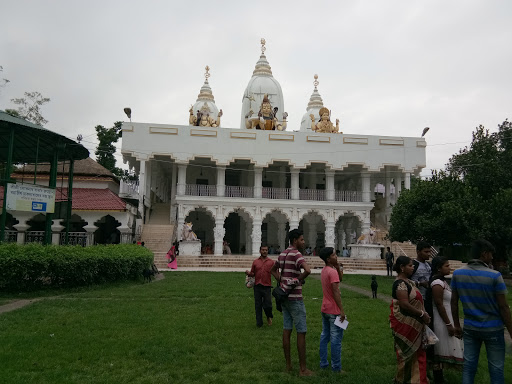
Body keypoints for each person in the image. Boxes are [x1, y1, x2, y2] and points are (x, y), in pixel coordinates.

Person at [451, 239, 512, 384]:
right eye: (491, 254)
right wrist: (511, 331)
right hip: (493, 329)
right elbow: (503, 307)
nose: (492, 257)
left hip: (471, 328)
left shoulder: (458, 274)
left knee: (468, 367)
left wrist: (456, 325)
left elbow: (453, 302)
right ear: (484, 254)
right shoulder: (495, 276)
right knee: (496, 369)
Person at [271, 229, 313, 376]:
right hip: (295, 298)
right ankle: (303, 369)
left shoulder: (283, 253)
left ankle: (288, 365)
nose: (303, 242)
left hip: (284, 297)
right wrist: (297, 280)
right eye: (302, 239)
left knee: (286, 329)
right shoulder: (296, 254)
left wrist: (282, 282)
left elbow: (273, 269)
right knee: (301, 331)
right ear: (295, 240)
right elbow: (308, 270)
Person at [389, 256, 431, 384]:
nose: (413, 267)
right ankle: (406, 379)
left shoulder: (408, 282)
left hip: (415, 323)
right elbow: (404, 304)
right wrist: (422, 314)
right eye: (410, 265)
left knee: (418, 354)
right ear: (402, 267)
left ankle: (417, 379)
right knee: (407, 355)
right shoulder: (401, 284)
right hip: (406, 324)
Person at [429, 257, 463, 383]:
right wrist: (448, 324)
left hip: (446, 318)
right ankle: (438, 378)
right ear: (439, 268)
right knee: (439, 348)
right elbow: (439, 304)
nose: (450, 268)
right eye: (447, 266)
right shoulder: (437, 283)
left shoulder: (443, 282)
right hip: (441, 320)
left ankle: (439, 377)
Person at [318, 247, 345, 372]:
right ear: (328, 259)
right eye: (334, 255)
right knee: (336, 339)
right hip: (334, 310)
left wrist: (338, 267)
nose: (336, 256)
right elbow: (336, 292)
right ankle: (336, 367)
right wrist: (342, 310)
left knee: (325, 336)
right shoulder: (332, 272)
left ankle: (323, 363)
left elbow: (340, 279)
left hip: (325, 308)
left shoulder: (325, 270)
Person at [245, 245, 274, 327]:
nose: (265, 251)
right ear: (260, 251)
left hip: (267, 286)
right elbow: (253, 273)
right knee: (258, 305)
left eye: (266, 250)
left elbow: (275, 273)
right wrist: (248, 273)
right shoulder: (255, 262)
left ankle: (269, 316)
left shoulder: (271, 262)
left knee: (268, 304)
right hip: (257, 286)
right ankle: (259, 323)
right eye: (263, 250)